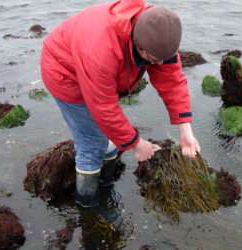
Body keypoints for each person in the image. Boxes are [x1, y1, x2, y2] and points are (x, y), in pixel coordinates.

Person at [40, 0, 201, 208]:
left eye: (164, 58)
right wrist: (137, 145)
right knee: (91, 146)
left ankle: (106, 186)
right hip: (64, 72)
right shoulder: (100, 47)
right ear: (137, 44)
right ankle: (87, 207)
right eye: (153, 59)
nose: (159, 64)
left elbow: (172, 80)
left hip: (98, 73)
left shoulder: (160, 33)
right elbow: (103, 106)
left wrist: (185, 130)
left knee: (106, 140)